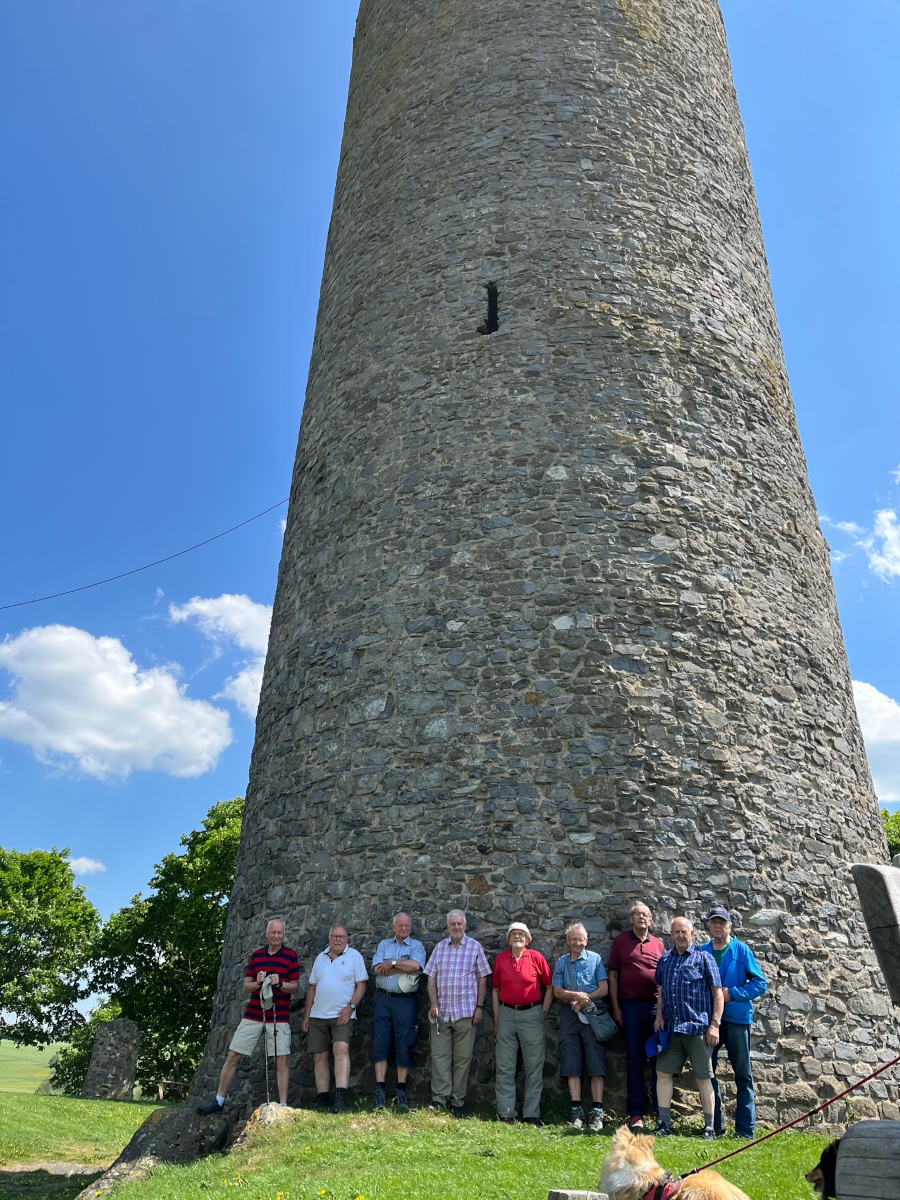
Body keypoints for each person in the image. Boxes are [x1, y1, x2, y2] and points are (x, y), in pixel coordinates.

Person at [196, 917, 299, 1114]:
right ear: (267, 933)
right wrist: (259, 982)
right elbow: (246, 986)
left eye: (280, 933)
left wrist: (280, 984)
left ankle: (284, 1106)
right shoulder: (257, 956)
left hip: (279, 1015)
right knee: (234, 1053)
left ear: (283, 934)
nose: (277, 936)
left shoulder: (290, 956)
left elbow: (294, 987)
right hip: (254, 1013)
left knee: (282, 1059)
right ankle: (219, 1100)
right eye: (273, 932)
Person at [699, 905, 767, 1139]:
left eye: (722, 922)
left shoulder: (742, 950)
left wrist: (732, 994)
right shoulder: (702, 951)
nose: (717, 926)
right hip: (709, 1022)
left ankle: (745, 1130)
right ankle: (715, 1126)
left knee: (743, 1074)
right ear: (708, 926)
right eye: (713, 922)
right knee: (709, 1073)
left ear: (729, 926)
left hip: (737, 1020)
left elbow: (760, 983)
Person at [654, 916, 723, 1139]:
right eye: (676, 932)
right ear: (671, 935)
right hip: (672, 1029)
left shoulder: (704, 959)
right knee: (662, 1073)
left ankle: (709, 1128)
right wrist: (659, 1016)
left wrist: (714, 1024)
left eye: (684, 932)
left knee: (704, 1077)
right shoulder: (665, 960)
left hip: (698, 1029)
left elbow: (717, 994)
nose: (681, 936)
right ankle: (664, 1124)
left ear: (692, 934)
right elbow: (661, 991)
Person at [423, 909, 491, 1117]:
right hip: (442, 1013)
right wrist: (433, 1004)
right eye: (453, 924)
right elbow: (431, 977)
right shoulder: (439, 948)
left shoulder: (474, 947)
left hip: (466, 1013)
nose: (456, 927)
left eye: (459, 923)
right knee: (440, 1057)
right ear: (448, 926)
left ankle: (457, 1102)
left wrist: (479, 1007)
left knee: (463, 1059)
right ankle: (439, 1099)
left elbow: (482, 978)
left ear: (465, 925)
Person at [608, 902, 665, 1129]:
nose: (641, 918)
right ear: (630, 919)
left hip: (654, 1008)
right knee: (633, 1059)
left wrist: (663, 1010)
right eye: (637, 914)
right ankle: (636, 1114)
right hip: (630, 1007)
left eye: (646, 915)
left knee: (658, 1059)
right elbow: (612, 977)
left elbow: (663, 978)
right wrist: (616, 1008)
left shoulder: (659, 944)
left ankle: (661, 1112)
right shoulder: (621, 942)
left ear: (651, 920)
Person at [491, 921, 553, 1126]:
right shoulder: (501, 959)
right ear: (508, 939)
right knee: (505, 1065)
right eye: (513, 934)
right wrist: (498, 1019)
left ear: (528, 939)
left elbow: (549, 986)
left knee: (534, 1065)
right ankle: (507, 1113)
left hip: (532, 1013)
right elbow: (495, 990)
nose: (517, 937)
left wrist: (542, 1011)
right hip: (507, 1013)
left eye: (521, 934)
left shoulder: (536, 957)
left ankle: (531, 1114)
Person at [301, 926, 368, 1113]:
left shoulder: (354, 956)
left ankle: (340, 1097)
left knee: (341, 1048)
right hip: (318, 1014)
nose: (338, 939)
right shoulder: (320, 958)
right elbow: (312, 987)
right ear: (329, 938)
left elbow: (361, 985)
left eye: (341, 936)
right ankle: (322, 1097)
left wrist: (351, 1007)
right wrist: (307, 1015)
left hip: (342, 1014)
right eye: (334, 936)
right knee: (319, 1056)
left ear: (347, 939)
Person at [551, 921, 609, 1132]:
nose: (577, 943)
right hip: (569, 1015)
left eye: (581, 939)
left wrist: (585, 999)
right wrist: (574, 995)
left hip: (593, 1014)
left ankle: (597, 1112)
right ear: (568, 941)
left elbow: (604, 988)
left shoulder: (596, 959)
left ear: (586, 940)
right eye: (573, 939)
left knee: (596, 1062)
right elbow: (557, 991)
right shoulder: (561, 963)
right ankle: (576, 1112)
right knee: (571, 1061)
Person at [371, 911, 427, 1110]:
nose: (404, 928)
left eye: (407, 925)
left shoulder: (417, 946)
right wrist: (402, 967)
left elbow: (416, 966)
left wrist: (392, 964)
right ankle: (379, 1090)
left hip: (405, 1001)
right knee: (380, 1041)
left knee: (404, 1042)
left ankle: (401, 1090)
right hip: (384, 999)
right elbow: (377, 969)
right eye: (400, 925)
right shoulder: (384, 945)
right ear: (393, 927)